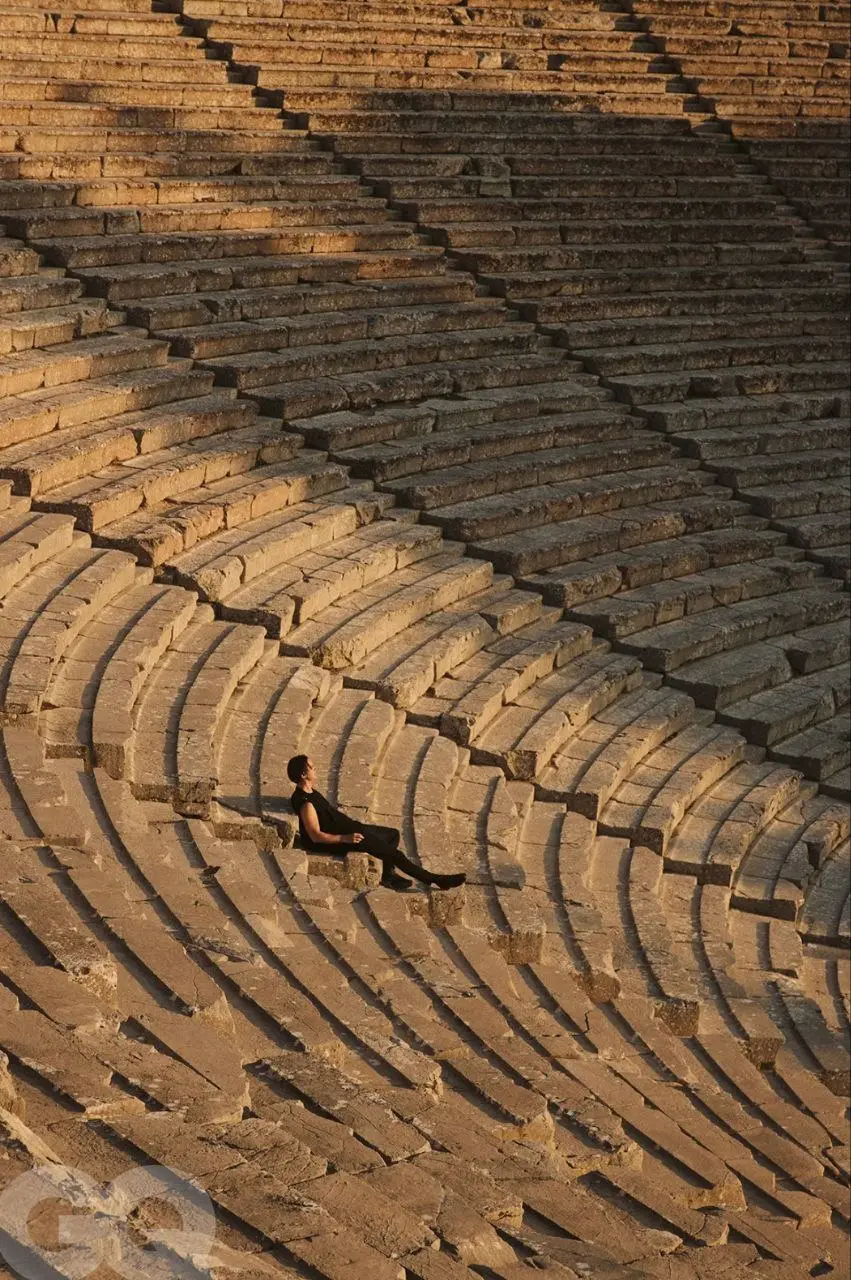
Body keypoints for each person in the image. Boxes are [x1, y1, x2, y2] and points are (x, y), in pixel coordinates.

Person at [287, 755, 466, 893]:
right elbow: (315, 836)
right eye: (312, 767)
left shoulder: (309, 790)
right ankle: (435, 879)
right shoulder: (306, 803)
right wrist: (346, 838)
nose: (315, 769)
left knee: (392, 835)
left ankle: (388, 876)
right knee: (396, 854)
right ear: (303, 774)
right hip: (346, 838)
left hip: (350, 828)